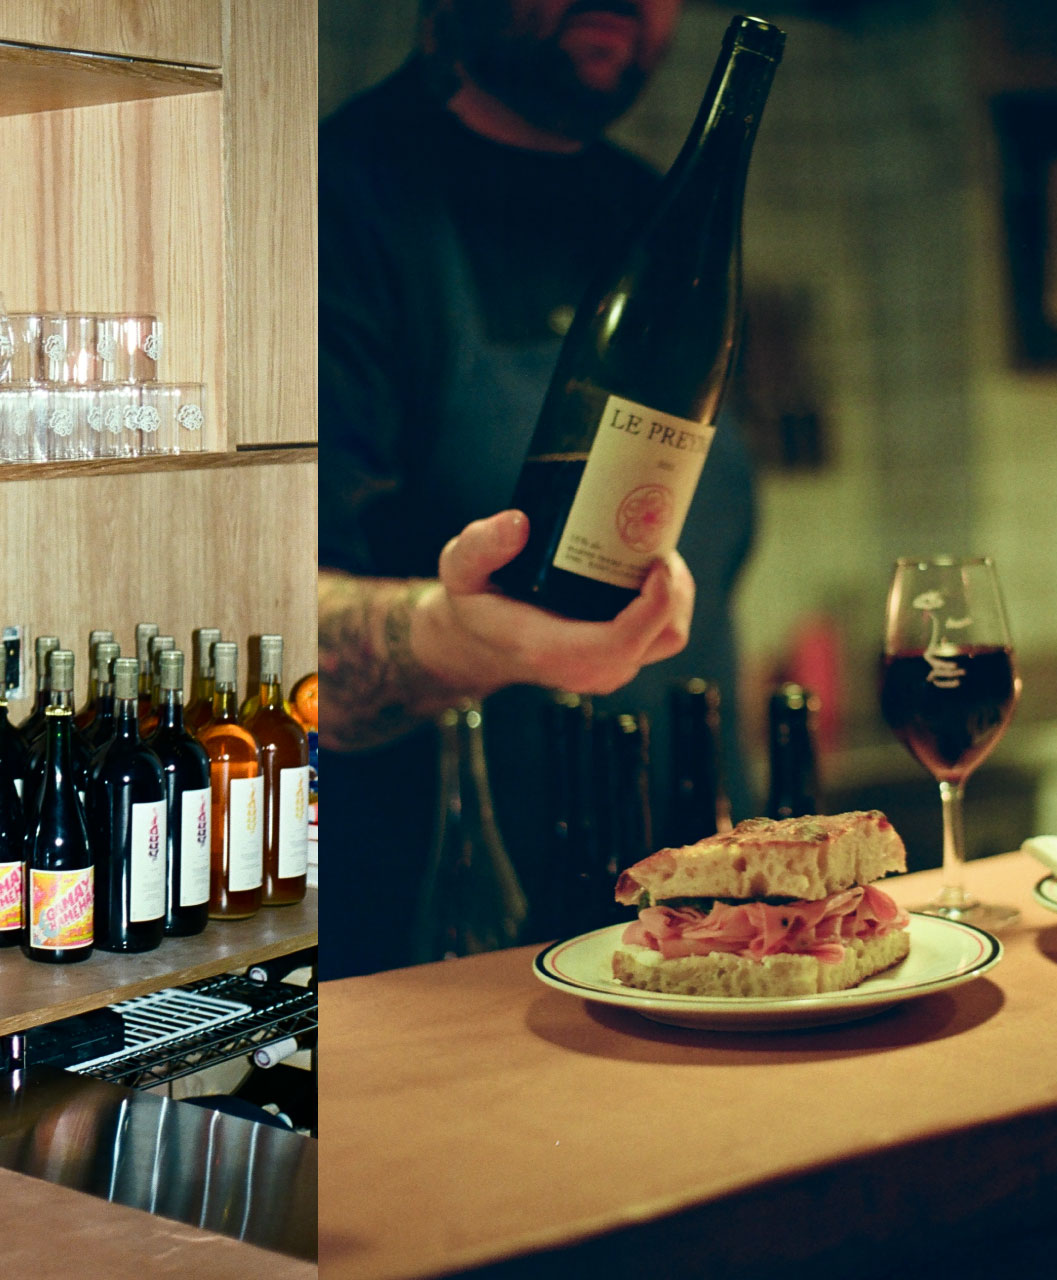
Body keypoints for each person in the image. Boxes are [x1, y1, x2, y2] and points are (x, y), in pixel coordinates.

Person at [319, 0, 757, 977]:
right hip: (443, 952)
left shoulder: (668, 223)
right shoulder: (335, 205)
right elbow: (271, 637)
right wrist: (451, 636)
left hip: (701, 930)